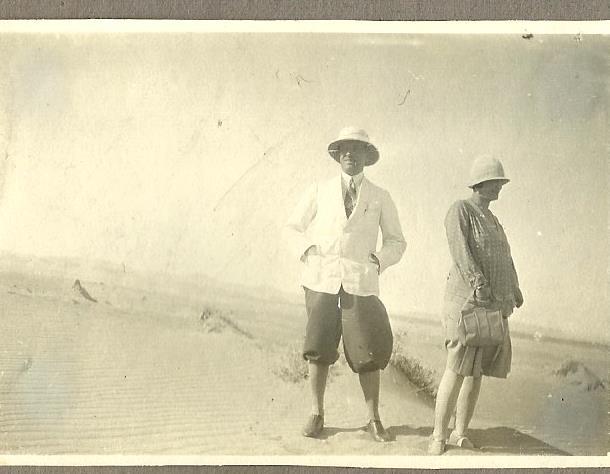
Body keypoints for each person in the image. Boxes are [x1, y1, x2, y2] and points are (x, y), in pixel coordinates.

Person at [284, 127, 406, 442]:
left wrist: (379, 261)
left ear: (367, 155)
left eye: (357, 148)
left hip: (359, 281)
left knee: (367, 349)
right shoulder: (319, 190)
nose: (350, 153)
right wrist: (308, 250)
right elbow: (292, 227)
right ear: (338, 155)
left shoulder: (380, 196)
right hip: (321, 278)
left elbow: (397, 241)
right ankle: (316, 413)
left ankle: (373, 419)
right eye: (345, 148)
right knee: (318, 346)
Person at [428, 155, 524, 455]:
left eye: (500, 182)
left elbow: (505, 258)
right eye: (494, 181)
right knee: (456, 368)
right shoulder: (461, 210)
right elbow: (461, 252)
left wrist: (514, 289)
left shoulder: (494, 221)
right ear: (479, 183)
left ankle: (460, 433)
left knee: (475, 371)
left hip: (490, 305)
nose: (499, 187)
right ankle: (438, 436)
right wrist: (478, 284)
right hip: (465, 303)